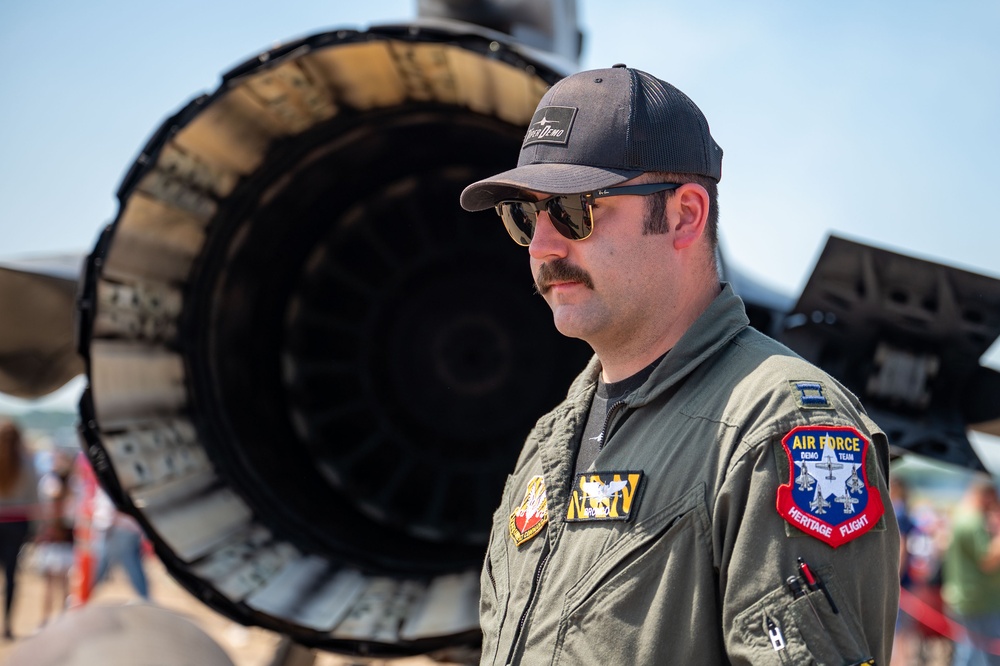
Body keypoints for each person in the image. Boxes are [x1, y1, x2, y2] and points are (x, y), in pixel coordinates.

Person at [459, 65, 900, 664]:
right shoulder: (551, 441)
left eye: (572, 210)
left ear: (686, 215)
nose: (542, 246)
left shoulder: (779, 427)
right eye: (524, 215)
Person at [942, 476, 1000, 665]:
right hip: (977, 600)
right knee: (975, 655)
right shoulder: (973, 521)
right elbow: (987, 560)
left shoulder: (962, 516)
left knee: (969, 653)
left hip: (967, 598)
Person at [0, 420, 38, 639]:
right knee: (11, 575)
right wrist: (36, 528)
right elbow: (35, 498)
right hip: (17, 524)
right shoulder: (27, 463)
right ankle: (7, 624)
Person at [32, 450, 76, 626]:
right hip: (54, 539)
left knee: (63, 583)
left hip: (63, 539)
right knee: (52, 583)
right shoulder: (50, 484)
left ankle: (60, 619)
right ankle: (47, 619)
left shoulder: (71, 486)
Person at [90, 488, 149, 600]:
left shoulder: (109, 479)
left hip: (117, 529)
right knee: (132, 568)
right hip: (121, 528)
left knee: (132, 567)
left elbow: (109, 507)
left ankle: (146, 600)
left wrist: (107, 524)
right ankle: (146, 599)